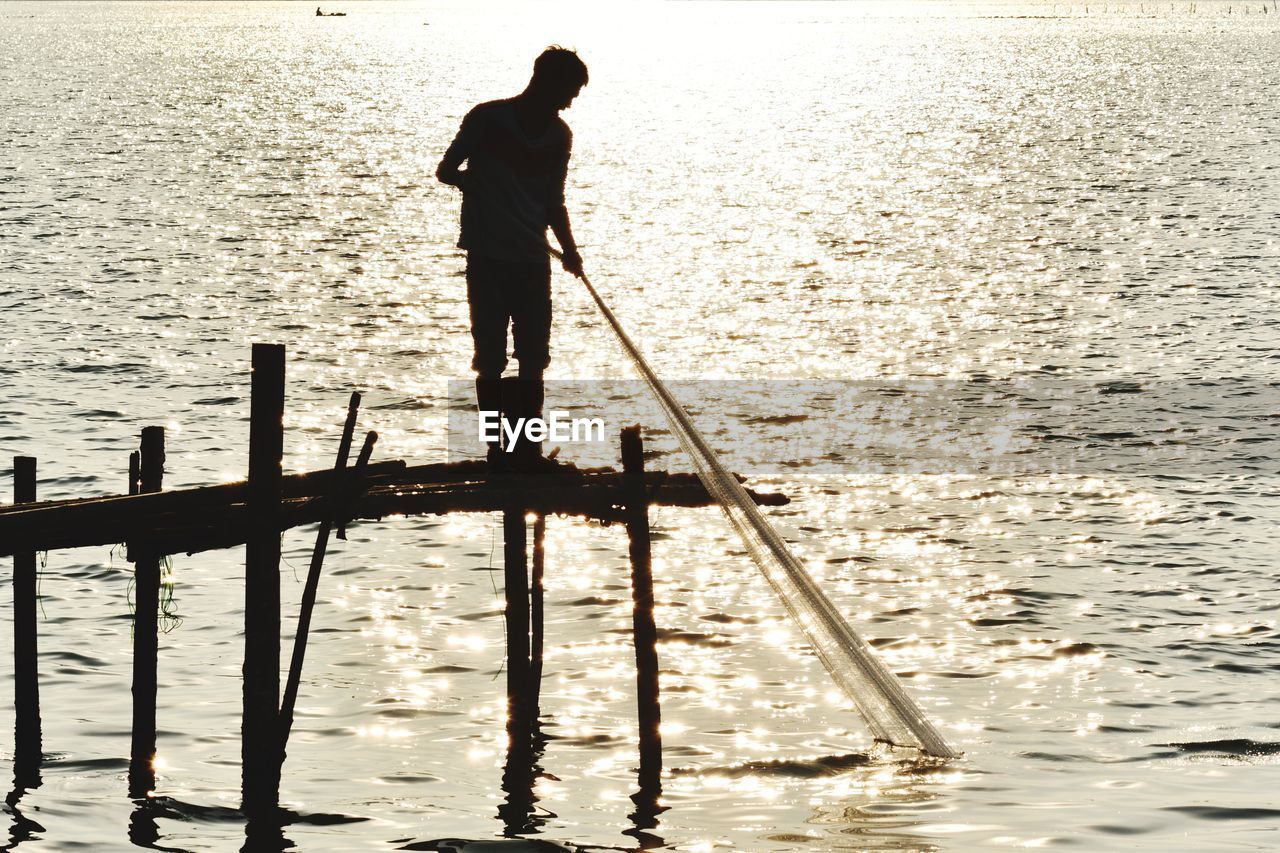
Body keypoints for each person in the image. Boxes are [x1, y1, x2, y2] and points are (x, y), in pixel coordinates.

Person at [436, 46, 587, 469]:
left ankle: (527, 450)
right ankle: (496, 449)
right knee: (490, 359)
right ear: (546, 81)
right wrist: (470, 183)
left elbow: (553, 201)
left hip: (532, 260)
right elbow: (445, 170)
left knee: (533, 358)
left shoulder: (560, 136)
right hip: (487, 256)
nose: (571, 101)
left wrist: (570, 250)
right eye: (569, 90)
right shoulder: (487, 118)